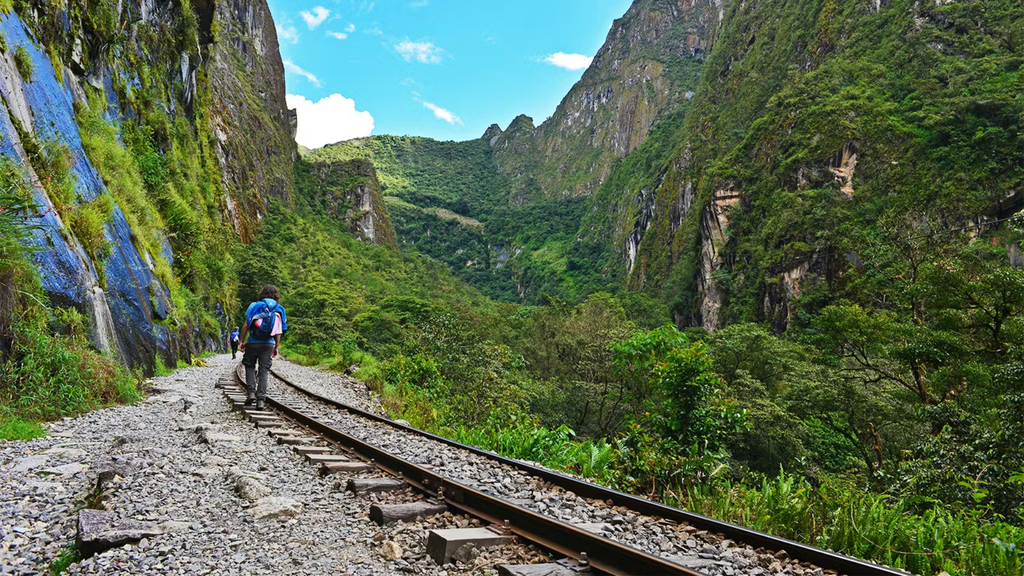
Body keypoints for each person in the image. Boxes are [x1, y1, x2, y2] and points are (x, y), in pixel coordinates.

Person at [238, 285, 287, 410]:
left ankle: (251, 393)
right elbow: (278, 330)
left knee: (249, 366)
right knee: (263, 371)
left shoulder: (254, 305)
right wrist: (277, 346)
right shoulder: (279, 308)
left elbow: (245, 325)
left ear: (262, 294)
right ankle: (261, 400)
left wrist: (241, 341)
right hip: (268, 343)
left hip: (253, 341)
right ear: (276, 295)